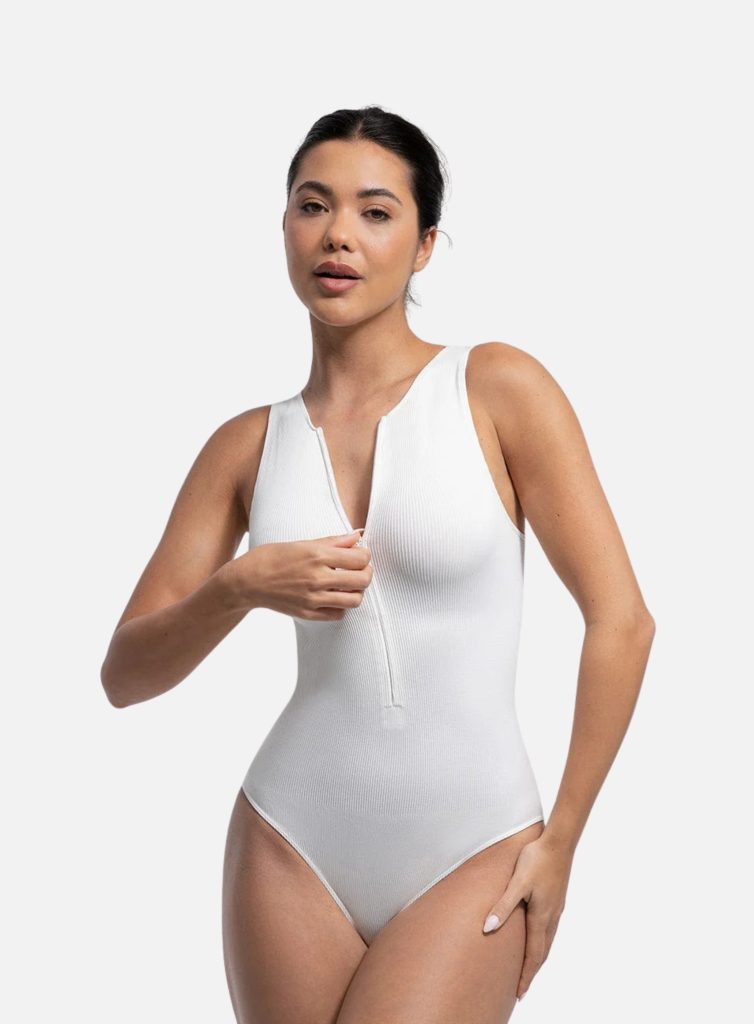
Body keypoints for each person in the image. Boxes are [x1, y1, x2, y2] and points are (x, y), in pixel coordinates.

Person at [101, 105, 656, 1023]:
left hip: (475, 840)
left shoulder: (498, 388)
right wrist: (239, 587)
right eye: (313, 205)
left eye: (376, 211)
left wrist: (562, 840)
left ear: (425, 244)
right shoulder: (244, 447)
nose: (338, 235)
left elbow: (622, 621)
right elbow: (125, 675)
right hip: (290, 838)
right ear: (285, 226)